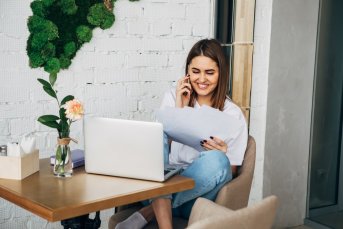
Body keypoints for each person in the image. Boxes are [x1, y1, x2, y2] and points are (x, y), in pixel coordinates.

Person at [115, 38, 248, 229]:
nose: (201, 79)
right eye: (195, 72)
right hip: (166, 181)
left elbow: (231, 172)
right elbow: (157, 150)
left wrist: (224, 154)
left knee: (218, 160)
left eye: (209, 73)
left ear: (221, 74)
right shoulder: (172, 96)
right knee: (156, 133)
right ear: (187, 72)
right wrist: (178, 110)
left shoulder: (232, 114)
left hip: (199, 197)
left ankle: (149, 212)